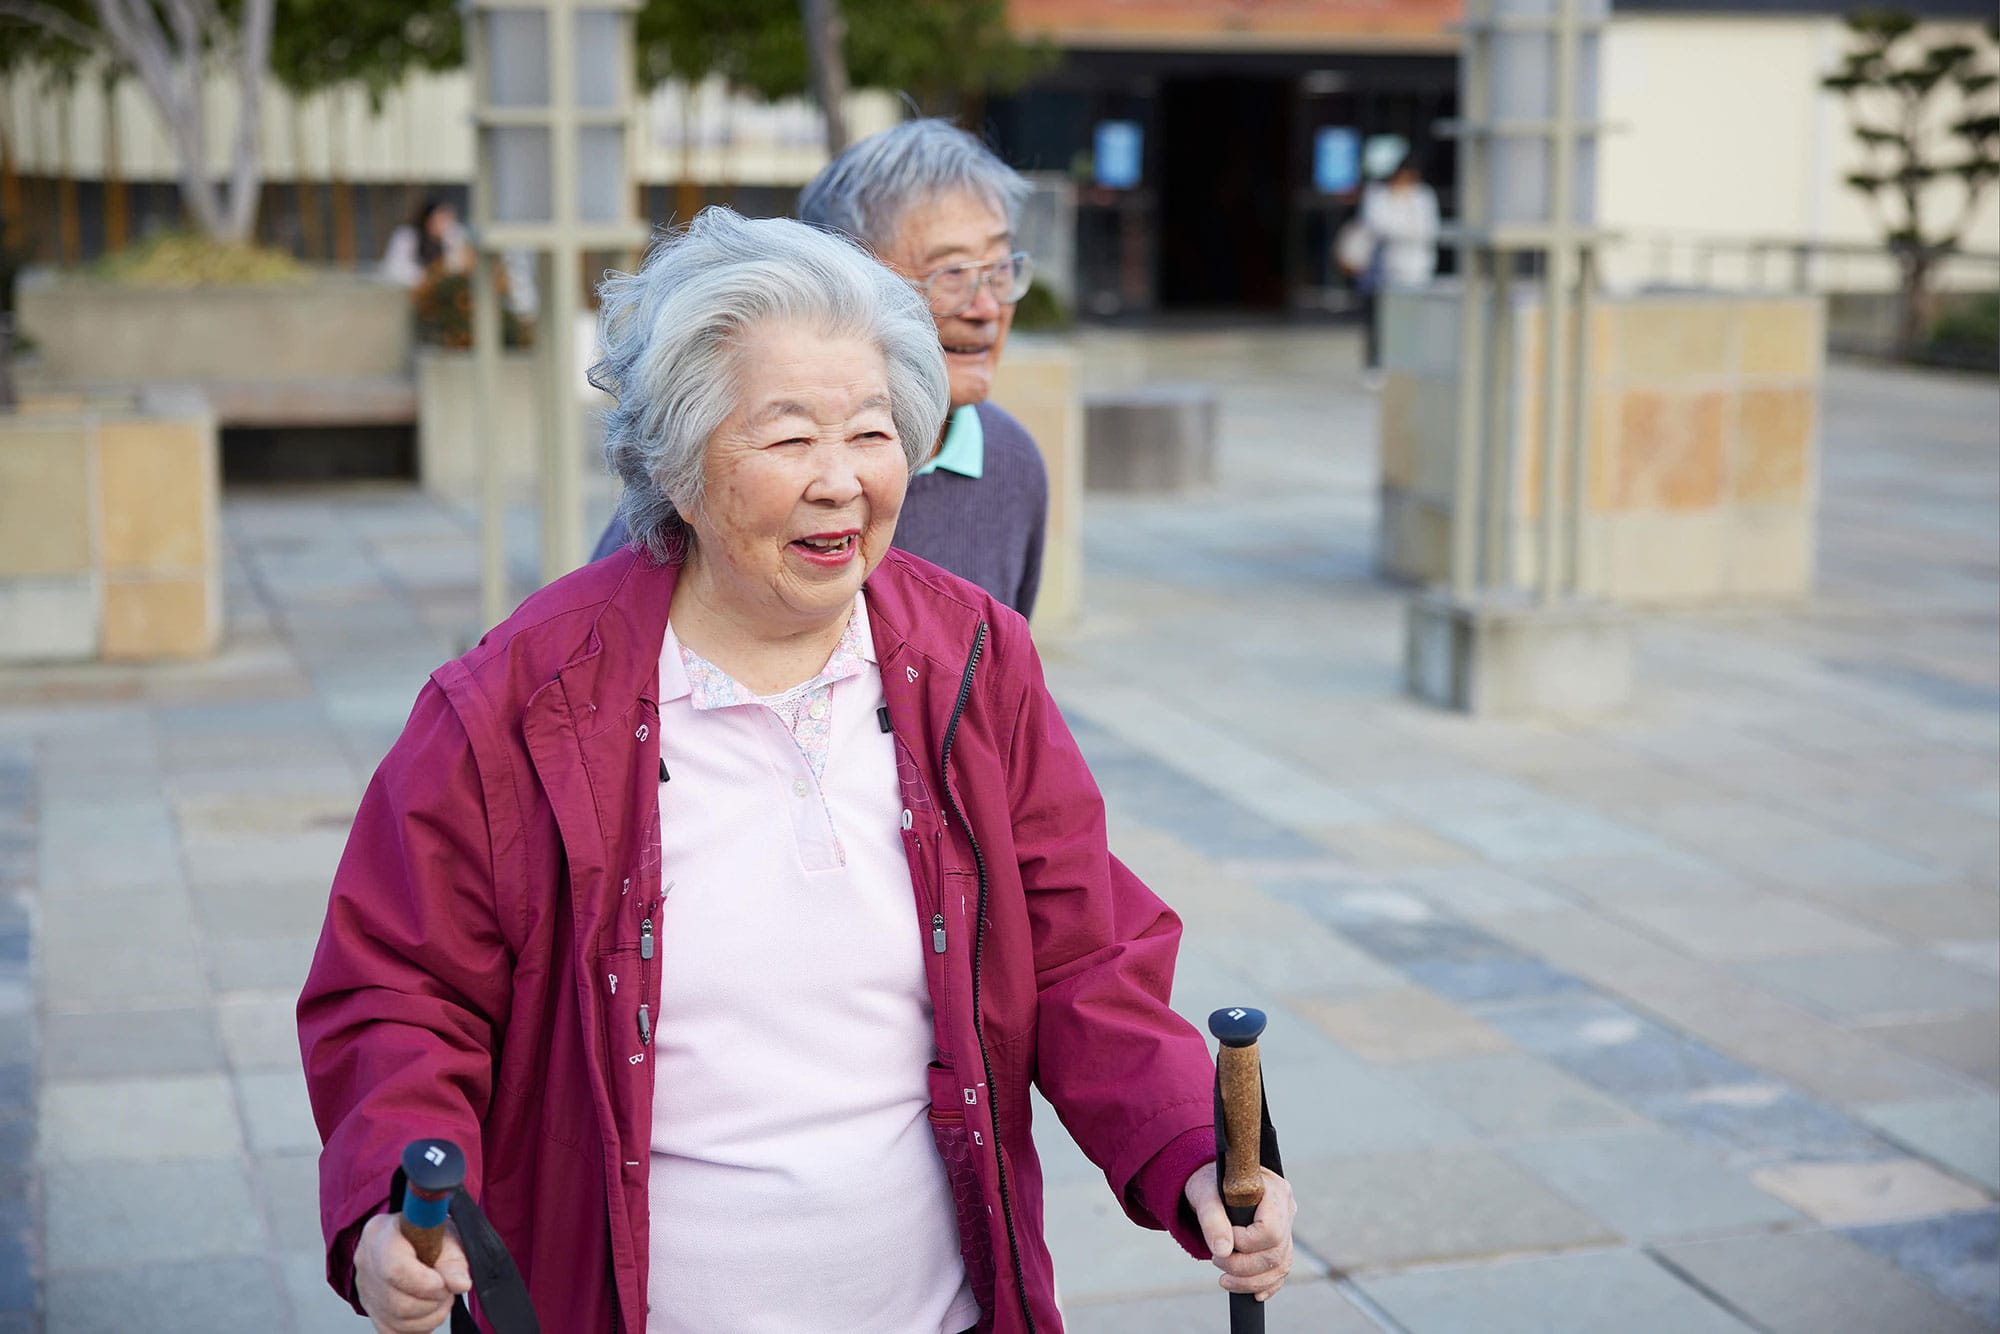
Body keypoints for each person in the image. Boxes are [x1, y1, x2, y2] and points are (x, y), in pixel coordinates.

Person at [299, 208, 1296, 1334]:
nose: (841, 482)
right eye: (786, 439)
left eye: (871, 432)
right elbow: (398, 991)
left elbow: (1080, 953)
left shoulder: (970, 661)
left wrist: (1189, 1148)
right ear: (678, 464)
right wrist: (392, 1206)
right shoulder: (519, 705)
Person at [590, 119, 1050, 620]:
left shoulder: (1012, 461)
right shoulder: (719, 466)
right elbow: (604, 644)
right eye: (953, 273)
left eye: (1000, 268)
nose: (986, 307)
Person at [1351, 154, 1440, 383]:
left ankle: (1409, 363)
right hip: (1384, 269)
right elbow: (1378, 225)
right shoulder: (1379, 195)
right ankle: (1375, 365)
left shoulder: (1422, 196)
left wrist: (1402, 229)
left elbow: (1428, 229)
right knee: (1379, 319)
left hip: (1415, 268)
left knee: (1412, 320)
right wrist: (1405, 229)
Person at [379, 197, 472, 287]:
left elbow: (458, 266)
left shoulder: (452, 236)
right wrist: (427, 276)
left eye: (447, 220)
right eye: (439, 219)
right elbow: (395, 268)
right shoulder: (407, 236)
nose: (444, 224)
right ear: (428, 219)